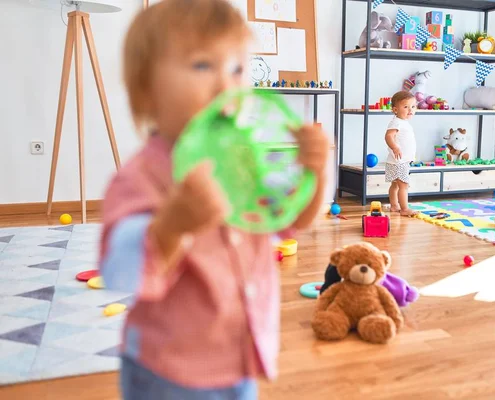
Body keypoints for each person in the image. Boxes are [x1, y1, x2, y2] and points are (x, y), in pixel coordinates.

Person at [98, 1, 329, 399]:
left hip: (241, 354)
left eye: (237, 69)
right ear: (147, 90)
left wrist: (317, 172)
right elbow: (119, 272)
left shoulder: (242, 155)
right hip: (167, 370)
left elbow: (291, 220)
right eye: (203, 66)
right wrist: (172, 226)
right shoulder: (140, 176)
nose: (226, 86)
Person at [384, 91, 419, 216]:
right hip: (399, 161)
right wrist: (394, 147)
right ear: (395, 109)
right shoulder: (397, 122)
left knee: (395, 185)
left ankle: (394, 206)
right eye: (406, 107)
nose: (410, 110)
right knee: (404, 185)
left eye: (413, 107)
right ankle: (404, 209)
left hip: (396, 161)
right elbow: (388, 136)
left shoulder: (403, 122)